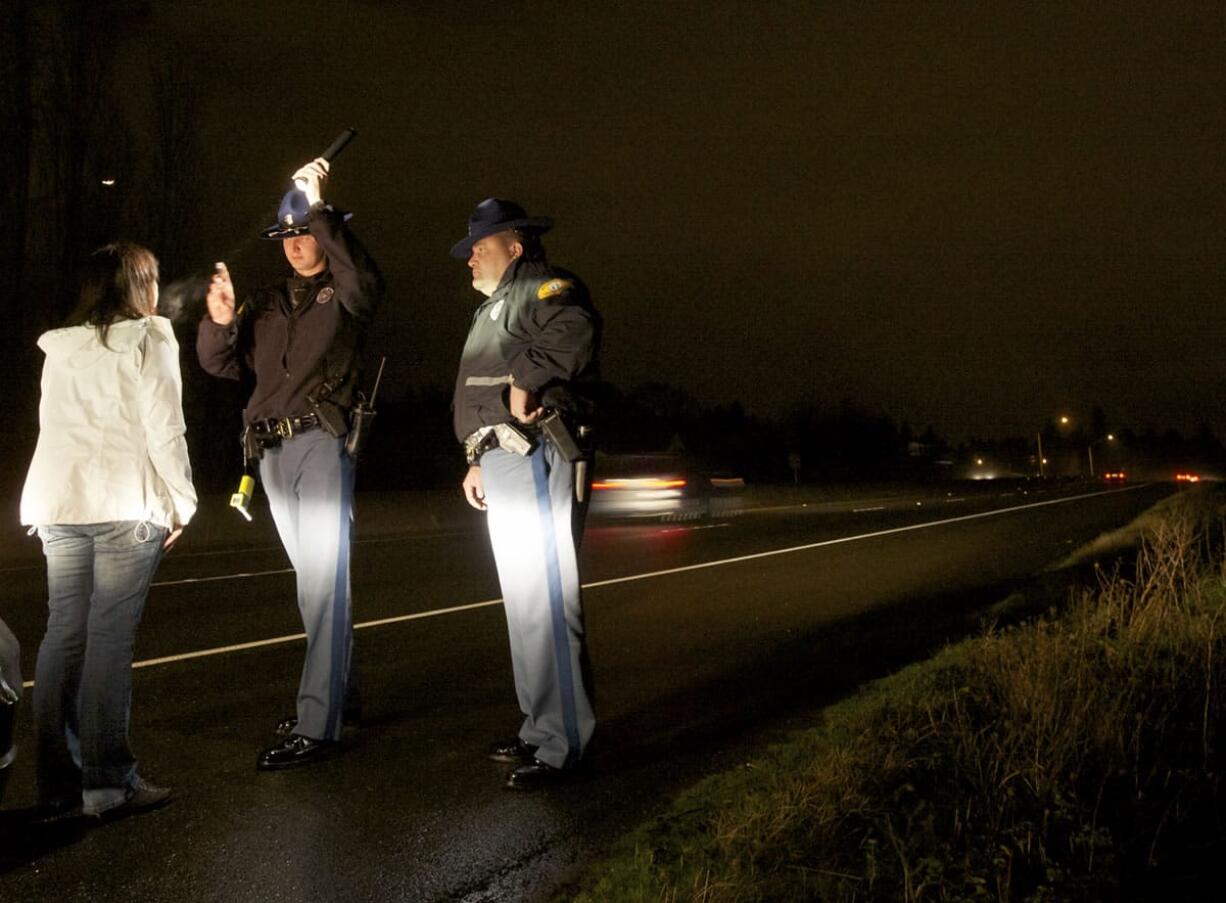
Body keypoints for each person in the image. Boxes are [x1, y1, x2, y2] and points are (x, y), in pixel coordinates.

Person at [197, 158, 383, 770]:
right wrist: (220, 323)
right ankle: (341, 695)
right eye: (290, 236)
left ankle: (317, 721)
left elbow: (365, 283)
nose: (299, 246)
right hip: (270, 453)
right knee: (313, 583)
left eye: (308, 233)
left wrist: (319, 204)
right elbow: (223, 367)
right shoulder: (268, 303)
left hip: (322, 444)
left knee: (324, 580)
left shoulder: (346, 291)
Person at [20, 241, 196, 820]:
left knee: (62, 634)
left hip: (60, 501)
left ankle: (57, 787)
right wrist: (182, 501)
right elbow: (164, 427)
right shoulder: (150, 337)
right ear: (138, 284)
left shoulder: (60, 348)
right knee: (108, 640)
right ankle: (108, 784)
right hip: (125, 501)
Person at [451, 198, 601, 789]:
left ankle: (565, 743)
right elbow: (477, 397)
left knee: (544, 596)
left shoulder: (541, 286)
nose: (468, 259)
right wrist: (474, 457)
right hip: (501, 458)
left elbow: (575, 330)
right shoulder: (493, 308)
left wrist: (525, 378)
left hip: (536, 452)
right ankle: (541, 726)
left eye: (479, 247)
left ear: (514, 246)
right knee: (524, 603)